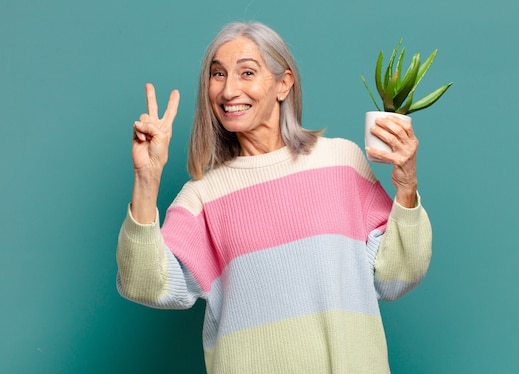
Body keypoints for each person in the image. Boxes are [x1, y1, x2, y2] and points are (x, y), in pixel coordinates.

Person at [116, 21, 432, 374]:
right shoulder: (203, 198)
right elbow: (143, 283)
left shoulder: (343, 163)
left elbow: (396, 276)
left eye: (246, 72)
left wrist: (407, 185)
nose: (228, 90)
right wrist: (146, 179)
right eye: (217, 74)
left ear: (284, 83)